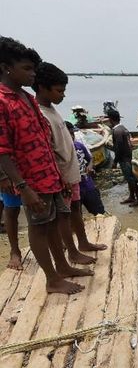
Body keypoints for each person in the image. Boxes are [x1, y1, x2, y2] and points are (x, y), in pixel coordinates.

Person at [0, 36, 88, 294]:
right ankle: (52, 279)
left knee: (54, 223)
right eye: (26, 68)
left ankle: (62, 267)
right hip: (31, 181)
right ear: (6, 67)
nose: (32, 74)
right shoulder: (3, 101)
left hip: (50, 176)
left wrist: (58, 176)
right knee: (39, 228)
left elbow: (43, 140)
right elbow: (3, 151)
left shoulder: (26, 98)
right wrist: (23, 187)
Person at [34, 62, 107, 263]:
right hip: (61, 177)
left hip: (72, 174)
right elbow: (47, 151)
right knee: (63, 216)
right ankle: (72, 252)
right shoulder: (40, 113)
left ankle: (82, 242)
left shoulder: (51, 109)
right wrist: (60, 177)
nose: (63, 95)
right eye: (59, 90)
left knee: (75, 209)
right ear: (42, 87)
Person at [67, 122, 106, 215]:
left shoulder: (79, 146)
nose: (71, 137)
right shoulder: (61, 152)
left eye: (72, 134)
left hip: (87, 184)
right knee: (76, 214)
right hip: (73, 188)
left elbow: (90, 159)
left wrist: (89, 166)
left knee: (99, 211)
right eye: (68, 135)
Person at [108, 109, 138, 206]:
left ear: (110, 119)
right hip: (128, 156)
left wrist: (115, 161)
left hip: (124, 158)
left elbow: (118, 147)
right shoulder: (123, 128)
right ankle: (132, 197)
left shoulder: (117, 131)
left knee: (131, 179)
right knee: (129, 178)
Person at [0, 164, 23, 269]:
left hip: (34, 166)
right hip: (9, 171)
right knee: (11, 210)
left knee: (42, 207)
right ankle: (15, 251)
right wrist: (2, 176)